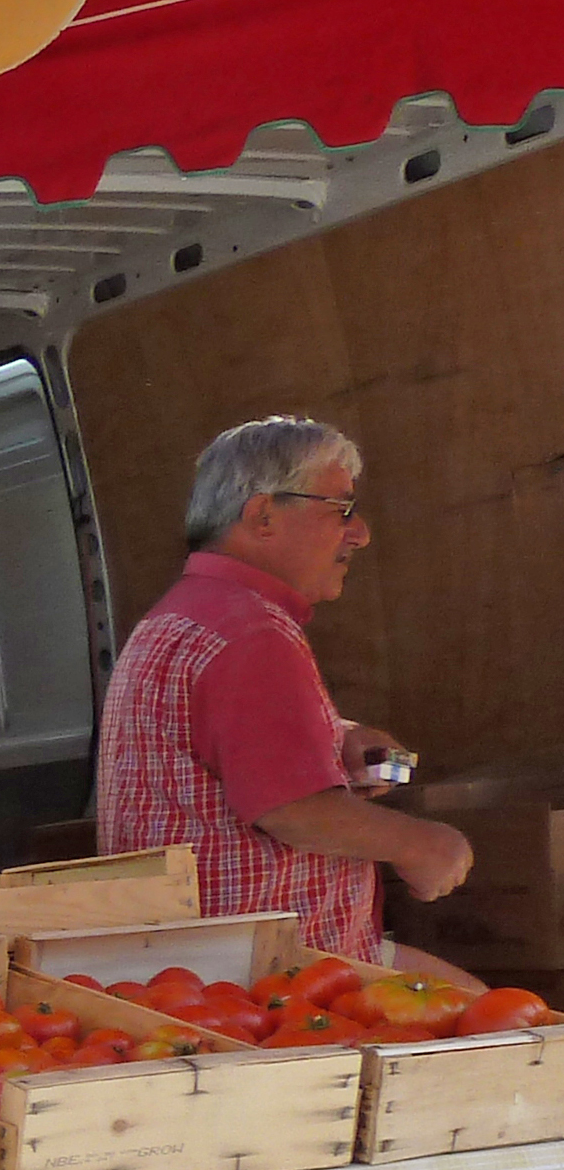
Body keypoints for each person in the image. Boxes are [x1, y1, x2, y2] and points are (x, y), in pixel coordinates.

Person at [97, 417, 475, 981]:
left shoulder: (185, 614)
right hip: (267, 982)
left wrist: (333, 737)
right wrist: (425, 845)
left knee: (479, 1004)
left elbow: (218, 743)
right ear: (263, 515)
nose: (361, 532)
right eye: (341, 509)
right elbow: (294, 810)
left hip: (186, 970)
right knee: (516, 1035)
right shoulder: (251, 630)